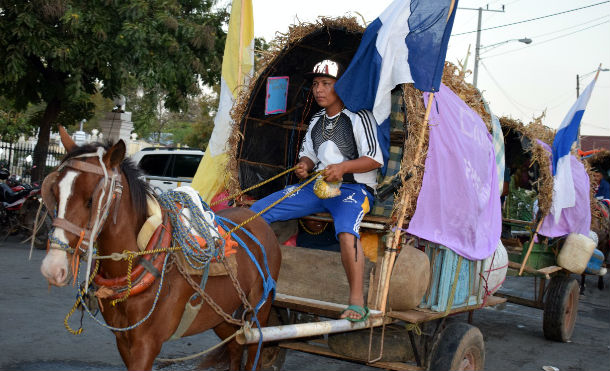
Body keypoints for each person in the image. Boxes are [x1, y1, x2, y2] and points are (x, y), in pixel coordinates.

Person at [251, 59, 383, 322]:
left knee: (347, 233)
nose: (319, 90)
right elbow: (308, 155)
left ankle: (357, 303)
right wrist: (304, 166)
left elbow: (375, 158)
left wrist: (343, 168)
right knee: (257, 212)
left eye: (326, 84)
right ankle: (253, 283)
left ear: (341, 86)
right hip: (319, 187)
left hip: (353, 190)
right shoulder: (316, 120)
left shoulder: (360, 116)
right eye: (315, 84)